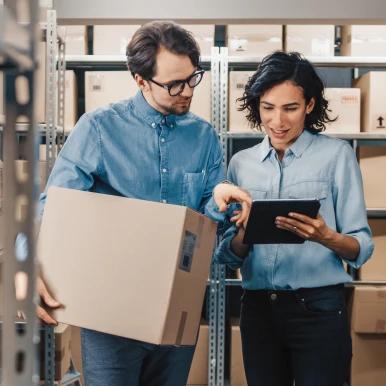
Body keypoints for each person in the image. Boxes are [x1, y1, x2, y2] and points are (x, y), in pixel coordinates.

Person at [35, 21, 250, 386]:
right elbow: (54, 206)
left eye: (192, 78)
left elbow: (207, 230)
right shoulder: (100, 129)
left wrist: (218, 202)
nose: (186, 92)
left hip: (176, 312)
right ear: (139, 80)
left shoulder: (204, 137)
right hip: (110, 316)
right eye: (173, 85)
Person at [207, 51, 374, 386]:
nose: (277, 121)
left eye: (290, 108)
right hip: (259, 310)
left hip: (319, 309)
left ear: (309, 105)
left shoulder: (336, 156)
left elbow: (362, 247)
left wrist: (325, 236)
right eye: (267, 108)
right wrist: (242, 234)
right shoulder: (241, 164)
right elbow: (225, 255)